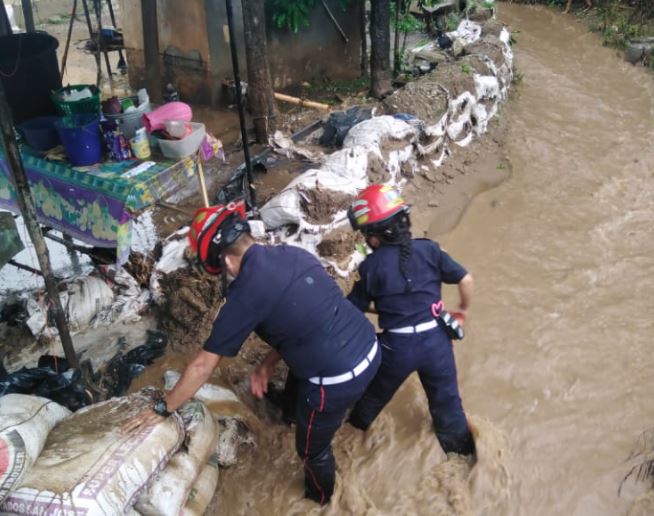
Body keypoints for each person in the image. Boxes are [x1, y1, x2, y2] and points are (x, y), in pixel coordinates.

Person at [124, 200, 380, 506]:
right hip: (370, 348)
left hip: (338, 379)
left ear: (225, 262)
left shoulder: (245, 294)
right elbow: (302, 319)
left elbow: (203, 366)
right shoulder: (293, 254)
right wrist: (267, 363)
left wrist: (162, 409)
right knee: (301, 374)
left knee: (312, 450)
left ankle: (321, 500)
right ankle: (289, 410)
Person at [345, 184, 475, 456]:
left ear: (374, 237)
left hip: (397, 348)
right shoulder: (430, 251)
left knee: (373, 398)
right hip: (437, 343)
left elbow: (351, 311)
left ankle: (353, 435)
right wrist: (461, 310)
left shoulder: (370, 267)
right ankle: (462, 454)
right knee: (448, 405)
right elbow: (466, 279)